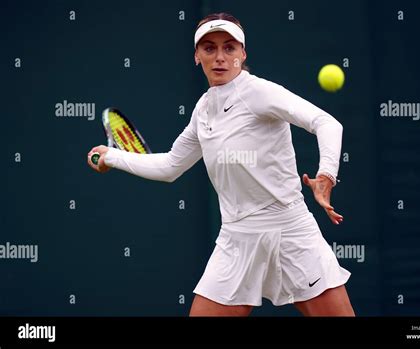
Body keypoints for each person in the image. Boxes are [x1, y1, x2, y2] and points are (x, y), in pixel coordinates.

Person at [87, 12, 355, 317]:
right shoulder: (203, 109)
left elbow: (327, 123)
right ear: (196, 56)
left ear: (243, 54)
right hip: (236, 240)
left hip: (290, 233)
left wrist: (326, 174)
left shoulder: (260, 92)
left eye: (229, 48)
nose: (220, 57)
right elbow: (171, 166)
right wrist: (112, 157)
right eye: (209, 48)